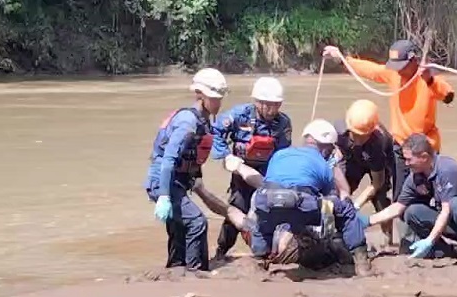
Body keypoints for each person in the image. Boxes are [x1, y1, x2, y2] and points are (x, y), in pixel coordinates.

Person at [322, 40, 454, 213]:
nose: (398, 70)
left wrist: (429, 79)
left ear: (414, 60)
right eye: (395, 66)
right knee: (400, 198)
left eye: (402, 66)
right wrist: (342, 59)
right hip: (400, 147)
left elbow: (448, 96)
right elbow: (370, 70)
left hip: (426, 148)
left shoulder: (428, 80)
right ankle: (404, 237)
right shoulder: (394, 75)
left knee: (431, 195)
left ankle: (434, 230)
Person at [362, 133, 457, 272]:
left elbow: (447, 209)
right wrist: (368, 221)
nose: (406, 163)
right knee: (412, 212)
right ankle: (444, 251)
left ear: (424, 157)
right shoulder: (416, 177)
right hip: (455, 221)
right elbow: (398, 207)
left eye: (409, 159)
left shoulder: (447, 169)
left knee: (456, 203)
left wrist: (429, 239)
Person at [249, 119, 371, 275]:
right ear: (327, 148)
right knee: (345, 210)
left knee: (262, 221)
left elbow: (269, 181)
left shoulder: (279, 154)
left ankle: (258, 262)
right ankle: (362, 263)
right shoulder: (323, 164)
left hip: (268, 201)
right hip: (301, 204)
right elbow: (328, 196)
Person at [143, 68, 228, 272]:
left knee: (179, 229)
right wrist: (164, 196)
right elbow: (168, 159)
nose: (218, 103)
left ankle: (175, 270)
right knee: (197, 222)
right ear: (200, 95)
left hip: (178, 182)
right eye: (214, 98)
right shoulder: (187, 122)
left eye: (220, 98)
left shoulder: (204, 120)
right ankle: (194, 274)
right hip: (164, 181)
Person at [211, 76, 292, 261]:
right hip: (240, 171)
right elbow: (215, 132)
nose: (273, 110)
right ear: (257, 102)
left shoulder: (283, 123)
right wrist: (226, 156)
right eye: (269, 105)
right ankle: (221, 252)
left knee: (270, 212)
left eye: (277, 105)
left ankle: (265, 253)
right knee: (236, 209)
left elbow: (283, 154)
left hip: (267, 175)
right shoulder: (239, 116)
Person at [332, 99, 396, 245]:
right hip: (353, 158)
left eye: (363, 135)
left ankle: (388, 240)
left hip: (378, 162)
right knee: (337, 192)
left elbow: (376, 183)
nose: (358, 138)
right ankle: (338, 233)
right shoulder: (339, 130)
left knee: (380, 200)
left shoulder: (378, 144)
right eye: (355, 134)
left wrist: (356, 205)